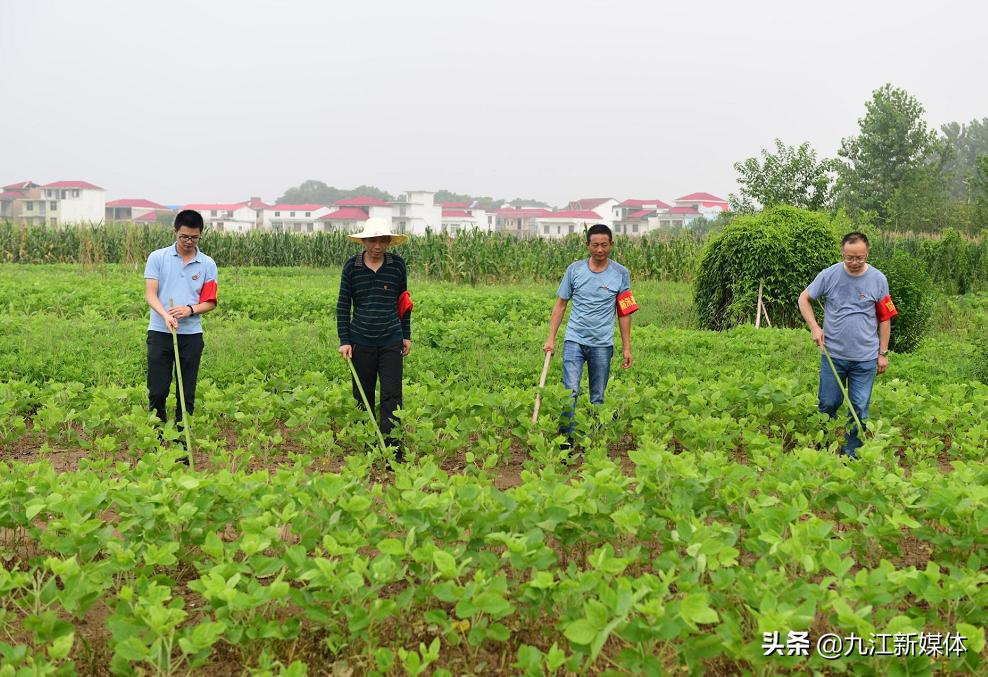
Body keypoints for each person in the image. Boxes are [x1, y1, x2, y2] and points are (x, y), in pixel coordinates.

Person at [798, 231, 897, 458]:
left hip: (865, 357)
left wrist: (882, 353)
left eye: (859, 258)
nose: (854, 262)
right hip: (834, 355)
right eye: (849, 257)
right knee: (828, 403)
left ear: (867, 253)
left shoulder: (879, 279)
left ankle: (852, 453)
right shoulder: (829, 275)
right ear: (842, 253)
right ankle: (827, 447)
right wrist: (815, 327)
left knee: (860, 408)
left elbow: (885, 318)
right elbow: (804, 298)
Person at [543, 223, 637, 450]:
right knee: (570, 392)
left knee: (597, 396)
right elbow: (560, 305)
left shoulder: (621, 274)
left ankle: (594, 441)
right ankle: (565, 442)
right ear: (587, 245)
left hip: (602, 344)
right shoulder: (574, 270)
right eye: (595, 245)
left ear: (611, 245)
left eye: (604, 245)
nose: (600, 249)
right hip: (574, 340)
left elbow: (624, 312)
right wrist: (550, 339)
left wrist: (626, 348)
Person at [337, 217, 412, 462]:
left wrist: (406, 335)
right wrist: (344, 339)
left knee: (392, 395)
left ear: (389, 242)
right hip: (361, 340)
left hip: (391, 338)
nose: (377, 246)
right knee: (363, 396)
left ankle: (393, 450)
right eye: (372, 241)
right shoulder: (351, 267)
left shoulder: (397, 266)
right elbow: (343, 305)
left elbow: (404, 302)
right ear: (364, 241)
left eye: (382, 241)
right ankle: (367, 447)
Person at [144, 209, 218, 453]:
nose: (188, 242)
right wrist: (165, 315)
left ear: (200, 236)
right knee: (158, 389)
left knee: (186, 393)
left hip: (191, 336)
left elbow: (210, 301)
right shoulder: (158, 257)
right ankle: (156, 440)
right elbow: (150, 294)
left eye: (194, 238)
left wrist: (189, 310)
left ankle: (180, 443)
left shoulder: (207, 264)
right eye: (184, 237)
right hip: (160, 332)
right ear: (175, 232)